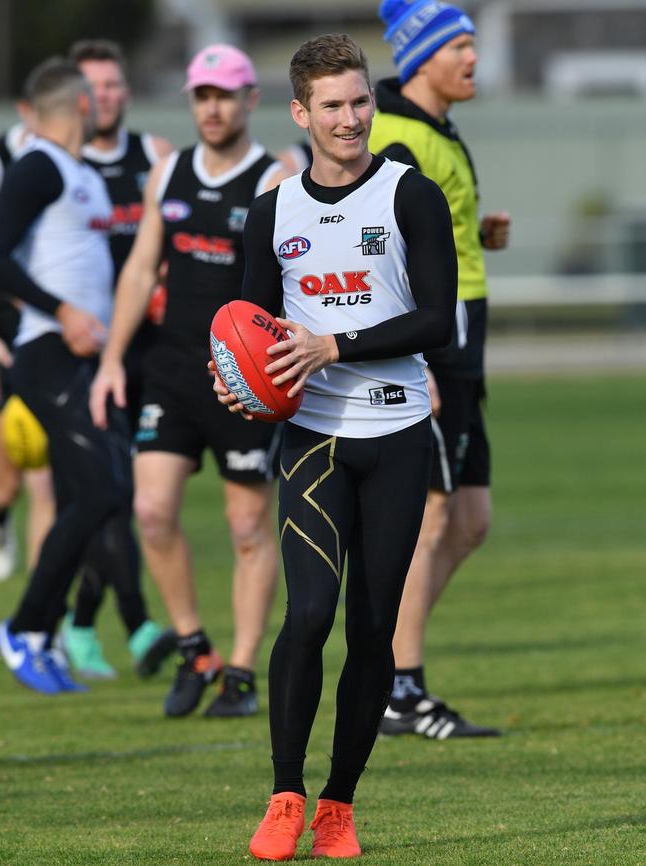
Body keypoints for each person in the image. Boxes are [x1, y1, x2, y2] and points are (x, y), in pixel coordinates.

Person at [212, 33, 457, 860]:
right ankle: (285, 794)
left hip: (395, 436)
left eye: (359, 101)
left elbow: (437, 320)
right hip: (314, 440)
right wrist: (238, 383)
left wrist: (335, 345)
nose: (350, 118)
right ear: (300, 113)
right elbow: (247, 327)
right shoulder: (272, 209)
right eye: (332, 106)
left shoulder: (408, 195)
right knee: (308, 613)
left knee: (372, 628)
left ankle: (338, 805)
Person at [90, 44, 287, 718]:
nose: (212, 107)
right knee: (152, 511)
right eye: (202, 95)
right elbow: (142, 271)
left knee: (246, 526)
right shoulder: (167, 171)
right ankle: (194, 647)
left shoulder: (273, 178)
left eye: (225, 94)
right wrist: (114, 358)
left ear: (250, 101)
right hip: (172, 370)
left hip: (243, 380)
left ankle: (239, 670)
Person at [369, 0, 511, 739]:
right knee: (430, 518)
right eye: (461, 47)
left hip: (462, 353)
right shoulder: (397, 140)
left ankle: (387, 654)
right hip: (433, 353)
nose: (473, 59)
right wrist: (412, 357)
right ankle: (399, 687)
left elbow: (434, 230)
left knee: (471, 520)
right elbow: (385, 254)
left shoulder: (436, 131)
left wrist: (477, 231)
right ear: (420, 55)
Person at [0, 57, 152, 695]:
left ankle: (40, 628)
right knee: (96, 492)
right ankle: (26, 627)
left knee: (110, 492)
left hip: (88, 361)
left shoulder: (81, 173)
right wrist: (58, 311)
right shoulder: (37, 164)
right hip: (46, 354)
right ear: (83, 106)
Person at [56, 38, 175, 680]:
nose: (105, 97)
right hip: (83, 357)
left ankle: (77, 624)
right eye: (94, 86)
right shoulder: (59, 167)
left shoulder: (154, 157)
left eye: (114, 85)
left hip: (148, 356)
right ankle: (134, 627)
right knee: (108, 493)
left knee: (123, 497)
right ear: (75, 96)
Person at [0, 104, 56, 581]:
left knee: (44, 477)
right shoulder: (3, 159)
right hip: (1, 332)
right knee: (3, 479)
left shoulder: (67, 164)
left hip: (40, 333)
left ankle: (41, 617)